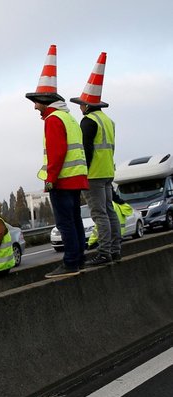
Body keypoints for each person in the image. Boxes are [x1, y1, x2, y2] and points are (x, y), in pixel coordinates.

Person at [25, 44, 89, 278]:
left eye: (36, 102)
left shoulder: (52, 120)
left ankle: (71, 262)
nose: (34, 107)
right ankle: (79, 259)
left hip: (62, 180)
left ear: (45, 100)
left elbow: (57, 152)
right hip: (77, 179)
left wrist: (50, 179)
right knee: (75, 221)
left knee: (65, 224)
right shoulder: (68, 118)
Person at [72, 51, 120, 265]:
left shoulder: (88, 121)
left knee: (99, 214)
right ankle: (116, 249)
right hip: (108, 172)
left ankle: (104, 253)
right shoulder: (108, 120)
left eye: (81, 103)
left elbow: (87, 150)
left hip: (94, 174)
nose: (80, 107)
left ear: (88, 105)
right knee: (109, 212)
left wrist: (84, 172)